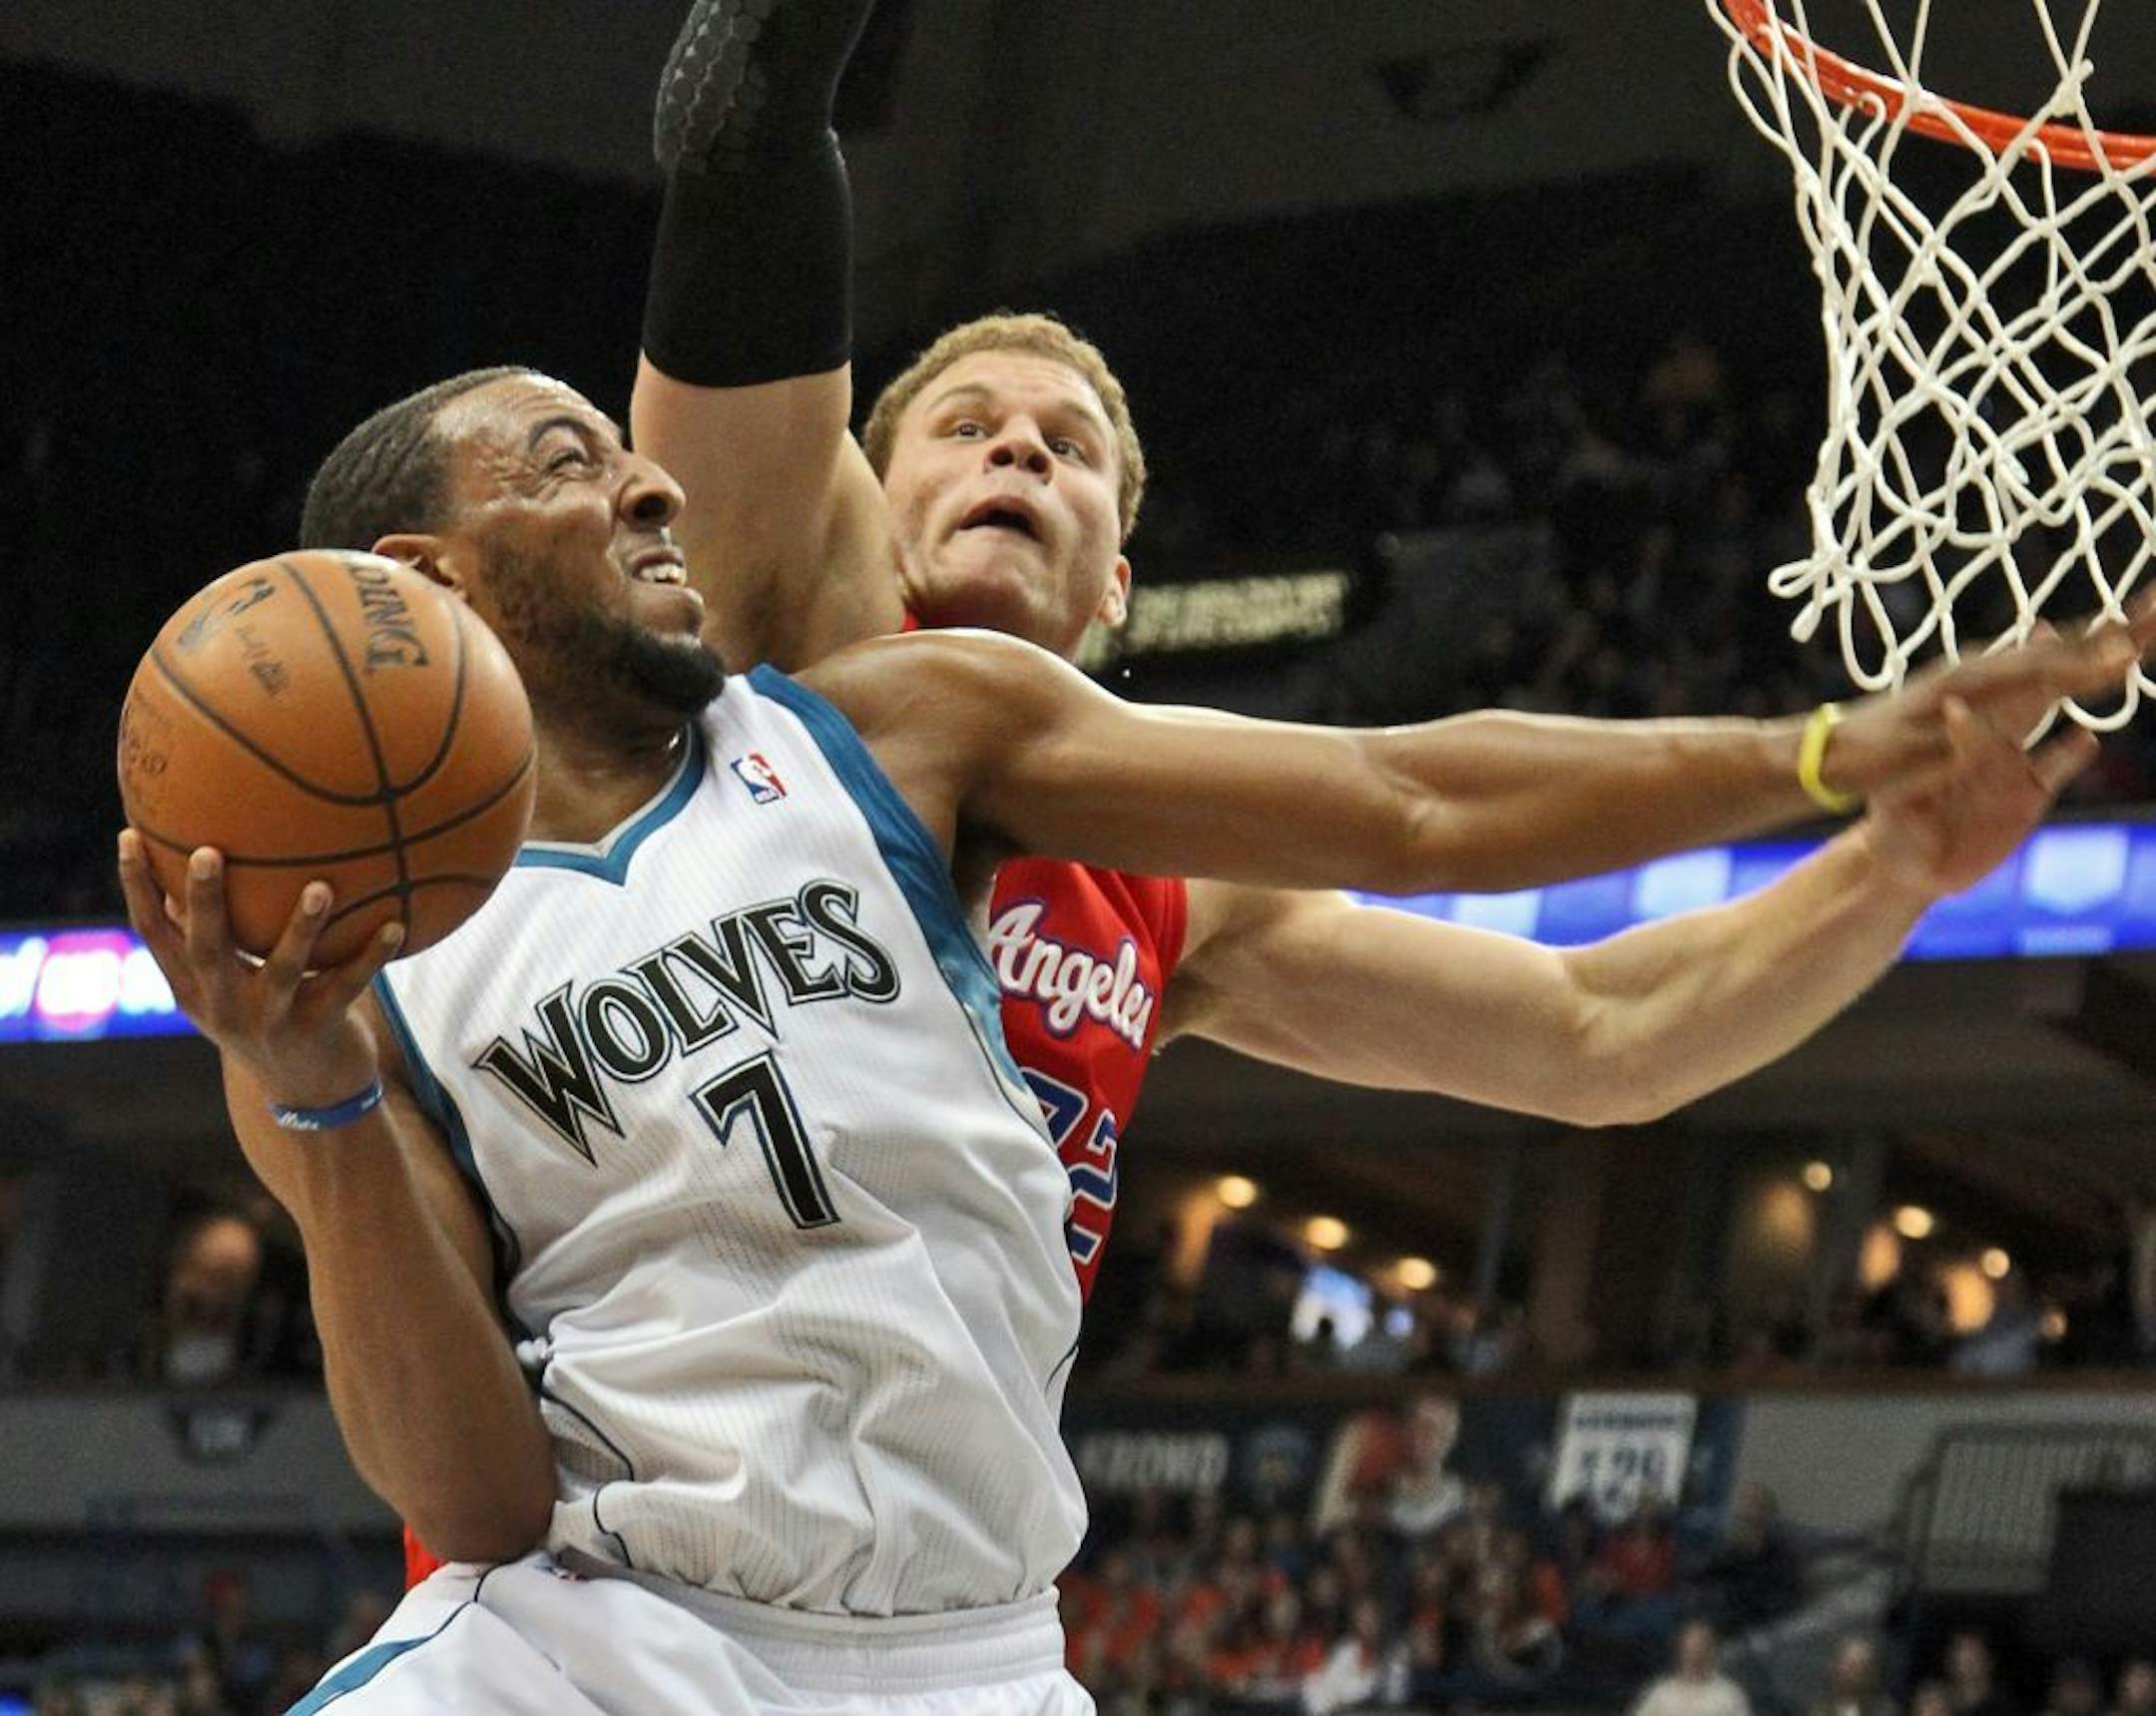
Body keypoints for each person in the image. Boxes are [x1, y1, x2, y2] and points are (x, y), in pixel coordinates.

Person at [127, 366, 2136, 1713]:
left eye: (1074, 448)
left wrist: (1883, 853)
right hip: (601, 1604)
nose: (1021, 455)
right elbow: (737, 250)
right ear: (844, 512)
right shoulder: (774, 710)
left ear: (1115, 586)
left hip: (959, 1626)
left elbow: (1590, 1005)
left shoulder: (1137, 863)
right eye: (963, 424)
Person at [1633, 1619, 1752, 1716]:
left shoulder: (1729, 1696)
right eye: (1689, 1649)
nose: (1694, 1655)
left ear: (1711, 1651)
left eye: (1700, 1648)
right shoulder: (1659, 1694)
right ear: (1679, 1651)